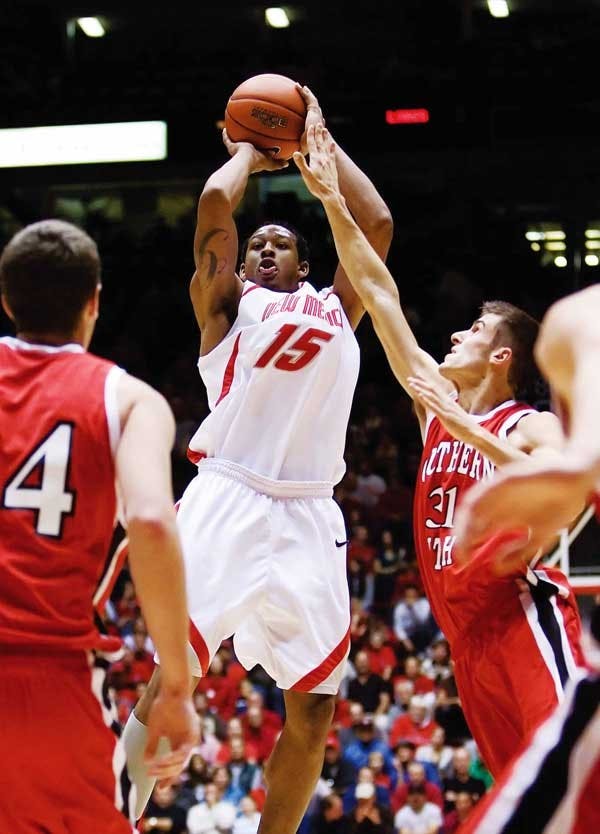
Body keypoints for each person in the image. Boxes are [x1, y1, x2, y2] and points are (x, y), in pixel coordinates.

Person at [123, 86, 394, 833]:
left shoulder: (340, 307)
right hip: (229, 494)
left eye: (279, 242)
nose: (262, 248)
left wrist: (321, 147)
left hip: (311, 510)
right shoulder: (227, 305)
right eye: (252, 246)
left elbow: (375, 224)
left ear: (307, 263)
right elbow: (214, 197)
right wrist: (252, 144)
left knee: (315, 706)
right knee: (172, 674)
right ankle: (111, 818)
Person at [293, 123, 585, 778]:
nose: (457, 332)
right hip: (466, 644)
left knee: (577, 776)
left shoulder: (524, 423)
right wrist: (332, 200)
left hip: (519, 617)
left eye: (476, 328)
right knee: (528, 803)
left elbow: (574, 470)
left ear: (503, 355)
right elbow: (376, 289)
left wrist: (473, 430)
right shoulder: (435, 410)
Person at [0, 219, 199, 833]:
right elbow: (149, 520)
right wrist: (176, 684)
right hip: (52, 685)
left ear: (7, 301)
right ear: (94, 302)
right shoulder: (130, 400)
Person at [449, 285, 600, 833]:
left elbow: (576, 472)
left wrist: (560, 478)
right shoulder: (577, 324)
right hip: (471, 630)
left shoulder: (575, 325)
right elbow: (578, 471)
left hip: (518, 616)